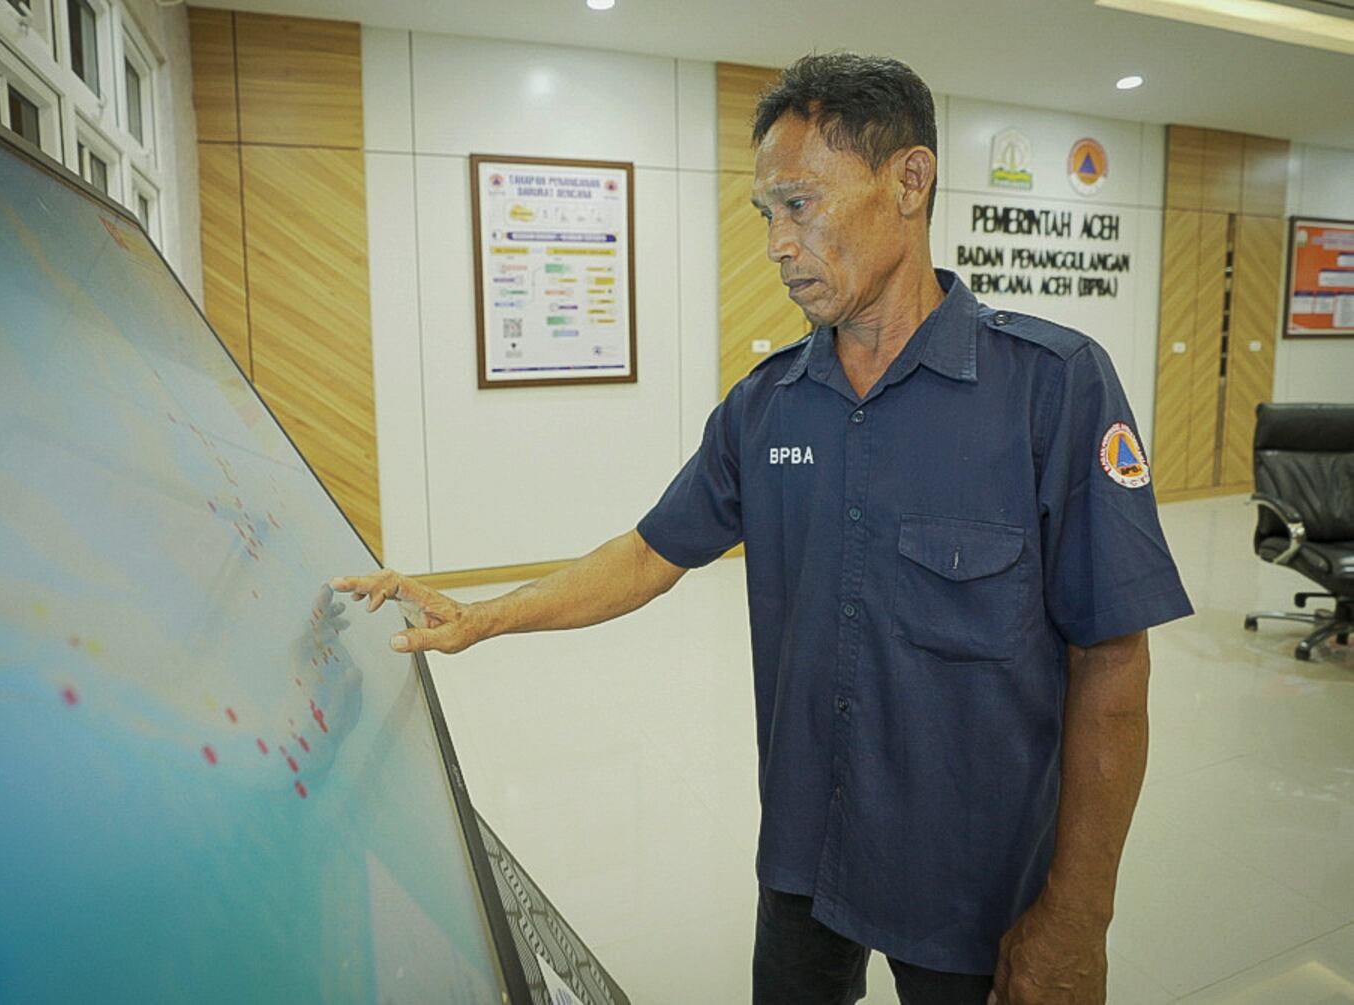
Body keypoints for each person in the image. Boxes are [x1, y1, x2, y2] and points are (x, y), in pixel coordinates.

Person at [333, 52, 1192, 1005]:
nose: (778, 245)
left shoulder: (1052, 388)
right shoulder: (767, 407)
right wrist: (485, 616)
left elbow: (1113, 665)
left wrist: (1077, 919)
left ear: (909, 180)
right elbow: (647, 553)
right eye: (765, 216)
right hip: (805, 854)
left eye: (801, 205)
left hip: (973, 882)